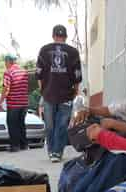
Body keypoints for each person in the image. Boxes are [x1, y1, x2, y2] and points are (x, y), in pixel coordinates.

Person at [36, 24, 82, 163]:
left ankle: (53, 151)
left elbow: (38, 74)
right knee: (61, 124)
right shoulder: (73, 52)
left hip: (49, 93)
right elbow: (77, 76)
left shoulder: (44, 50)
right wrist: (75, 91)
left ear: (53, 36)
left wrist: (43, 91)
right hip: (66, 94)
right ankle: (56, 152)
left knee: (50, 124)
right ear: (66, 37)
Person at [0, 54, 29, 152]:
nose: (5, 64)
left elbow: (6, 88)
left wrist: (1, 101)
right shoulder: (24, 71)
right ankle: (24, 145)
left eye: (5, 62)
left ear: (8, 62)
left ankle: (15, 146)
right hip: (24, 103)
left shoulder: (8, 72)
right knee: (21, 124)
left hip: (13, 104)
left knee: (12, 124)